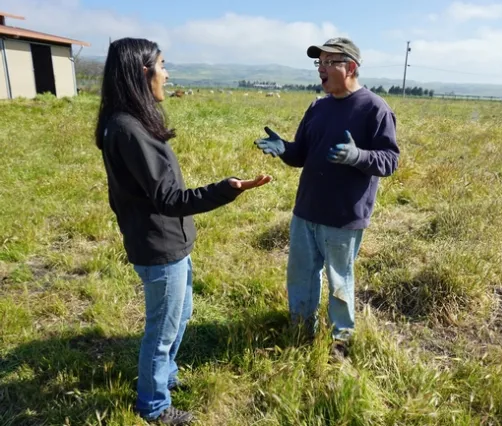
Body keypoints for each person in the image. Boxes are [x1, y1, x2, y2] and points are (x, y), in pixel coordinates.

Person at [95, 37, 271, 425]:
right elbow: (170, 200)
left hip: (164, 241)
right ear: (144, 73)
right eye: (162, 64)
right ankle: (154, 407)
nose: (167, 72)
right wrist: (228, 189)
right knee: (161, 331)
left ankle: (167, 377)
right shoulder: (128, 130)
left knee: (180, 314)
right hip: (161, 247)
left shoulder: (122, 123)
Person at [254, 37, 399, 360]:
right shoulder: (318, 107)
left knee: (339, 279)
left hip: (343, 215)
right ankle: (300, 329)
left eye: (328, 62)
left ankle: (340, 342)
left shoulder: (374, 109)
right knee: (301, 274)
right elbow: (301, 154)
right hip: (307, 209)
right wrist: (284, 150)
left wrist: (358, 156)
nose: (320, 68)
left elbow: (389, 161)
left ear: (349, 67)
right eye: (318, 62)